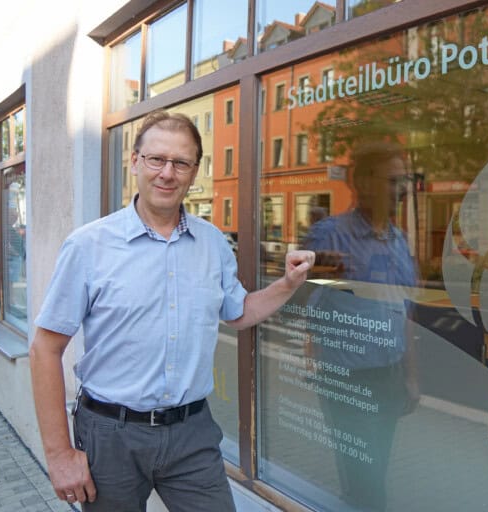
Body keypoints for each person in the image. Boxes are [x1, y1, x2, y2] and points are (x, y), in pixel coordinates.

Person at [29, 110, 315, 511]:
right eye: (156, 159)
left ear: (194, 171)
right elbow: (45, 349)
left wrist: (287, 284)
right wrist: (59, 454)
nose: (167, 173)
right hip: (111, 435)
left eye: (181, 163)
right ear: (135, 162)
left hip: (191, 434)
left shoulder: (213, 243)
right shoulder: (88, 246)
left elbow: (238, 312)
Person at [302, 141, 419, 510]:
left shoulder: (399, 241)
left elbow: (405, 312)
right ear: (365, 183)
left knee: (375, 469)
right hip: (348, 378)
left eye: (405, 181)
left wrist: (410, 376)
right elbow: (298, 302)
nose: (402, 189)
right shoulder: (329, 235)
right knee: (364, 479)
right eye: (393, 181)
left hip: (389, 374)